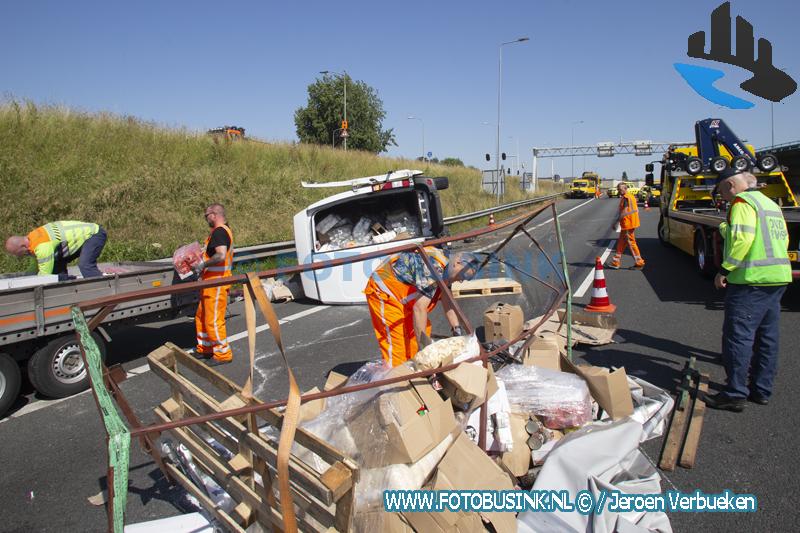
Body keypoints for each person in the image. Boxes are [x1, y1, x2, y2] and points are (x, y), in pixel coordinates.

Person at [705, 170, 791, 411]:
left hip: (750, 280)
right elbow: (781, 239)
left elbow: (743, 239)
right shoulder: (769, 204)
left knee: (739, 337)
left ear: (731, 185)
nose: (725, 198)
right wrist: (727, 229)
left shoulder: (742, 203)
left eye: (723, 192)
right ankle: (761, 390)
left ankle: (735, 393)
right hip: (777, 278)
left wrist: (725, 270)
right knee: (767, 338)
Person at [364, 247, 480, 367]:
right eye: (463, 275)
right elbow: (419, 308)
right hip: (385, 293)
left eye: (466, 278)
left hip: (404, 297)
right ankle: (396, 379)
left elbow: (446, 297)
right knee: (397, 345)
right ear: (457, 263)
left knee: (419, 335)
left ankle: (413, 371)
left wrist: (456, 329)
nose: (461, 280)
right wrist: (424, 349)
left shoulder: (447, 268)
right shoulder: (433, 268)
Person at [193, 203, 235, 366]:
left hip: (217, 282)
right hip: (210, 281)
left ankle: (223, 353)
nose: (206, 220)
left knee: (213, 319)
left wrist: (202, 265)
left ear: (213, 214)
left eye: (206, 216)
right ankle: (205, 348)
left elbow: (221, 255)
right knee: (202, 316)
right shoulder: (218, 233)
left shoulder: (219, 232)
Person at [5, 221, 107, 281]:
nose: (19, 257)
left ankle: (102, 291)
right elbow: (34, 267)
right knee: (56, 267)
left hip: (94, 234)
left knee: (85, 265)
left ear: (22, 246)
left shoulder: (42, 247)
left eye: (17, 253)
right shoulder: (31, 240)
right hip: (77, 240)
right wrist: (24, 279)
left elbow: (44, 277)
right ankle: (68, 286)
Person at [608, 182, 645, 269]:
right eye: (618, 189)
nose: (619, 191)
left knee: (631, 243)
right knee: (621, 242)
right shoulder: (631, 197)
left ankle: (639, 262)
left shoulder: (625, 198)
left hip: (628, 223)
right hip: (630, 223)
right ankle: (615, 262)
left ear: (625, 189)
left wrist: (616, 222)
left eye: (620, 189)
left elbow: (624, 212)